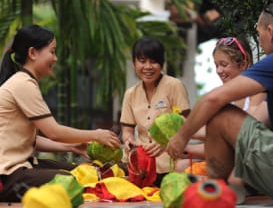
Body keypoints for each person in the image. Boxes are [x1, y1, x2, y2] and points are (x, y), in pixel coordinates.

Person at [166, 1, 273, 204]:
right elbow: (257, 121)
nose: (259, 39)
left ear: (271, 32)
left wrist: (181, 137)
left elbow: (213, 99)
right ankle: (230, 189)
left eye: (259, 31)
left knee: (220, 113)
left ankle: (214, 195)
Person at [0, 24, 121, 202]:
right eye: (52, 51)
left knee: (81, 170)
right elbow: (54, 132)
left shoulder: (23, 82)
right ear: (32, 53)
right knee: (73, 181)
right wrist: (96, 135)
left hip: (21, 168)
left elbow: (31, 140)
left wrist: (71, 147)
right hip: (8, 177)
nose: (55, 58)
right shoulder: (23, 84)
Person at [120, 36, 191, 187]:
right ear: (134, 63)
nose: (148, 67)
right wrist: (128, 141)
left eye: (153, 61)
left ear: (161, 63)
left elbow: (186, 124)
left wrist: (166, 142)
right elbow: (127, 131)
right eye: (142, 61)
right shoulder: (130, 94)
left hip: (170, 165)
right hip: (139, 167)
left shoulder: (174, 85)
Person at [185, 36, 266, 159]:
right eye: (216, 65)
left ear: (243, 64)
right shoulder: (225, 98)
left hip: (251, 158)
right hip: (232, 160)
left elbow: (243, 136)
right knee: (182, 166)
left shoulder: (257, 92)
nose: (218, 70)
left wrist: (188, 142)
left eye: (223, 64)